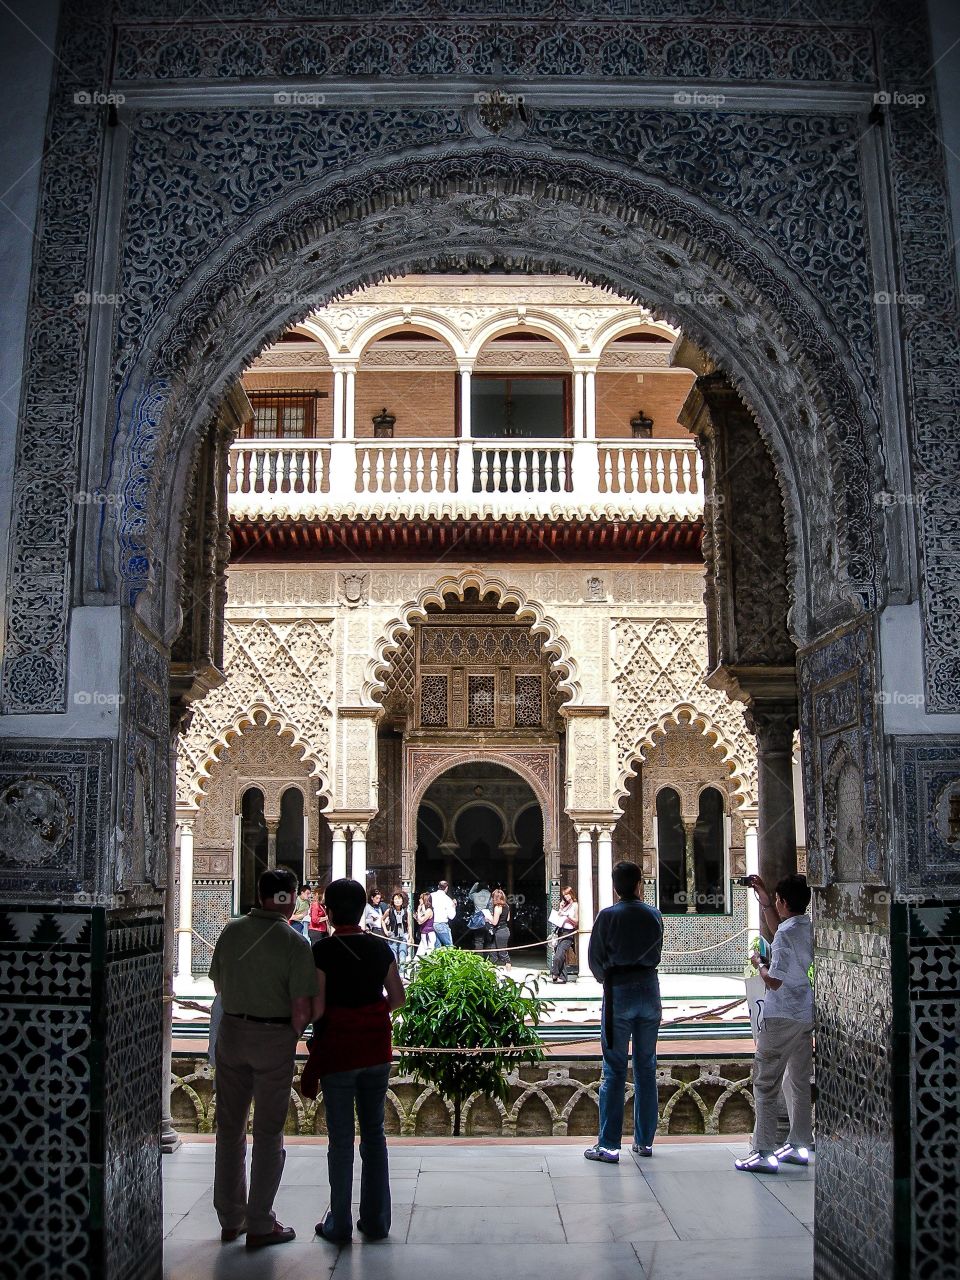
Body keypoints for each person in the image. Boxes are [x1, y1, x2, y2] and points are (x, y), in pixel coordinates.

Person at [209, 867, 320, 1249]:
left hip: (233, 1035)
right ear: (290, 898)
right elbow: (303, 1009)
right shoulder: (295, 943)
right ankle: (260, 1222)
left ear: (259, 894)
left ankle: (230, 1218)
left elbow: (219, 984)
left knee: (229, 1129)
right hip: (273, 1038)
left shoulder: (231, 930)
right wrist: (287, 1034)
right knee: (269, 1133)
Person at [300, 878, 406, 1243]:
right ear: (362, 909)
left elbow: (317, 1007)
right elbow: (398, 998)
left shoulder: (323, 951)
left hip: (339, 1051)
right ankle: (376, 1221)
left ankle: (339, 1222)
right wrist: (371, 1012)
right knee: (374, 1135)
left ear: (328, 911)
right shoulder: (380, 949)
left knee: (341, 1140)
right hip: (376, 1049)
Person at [735, 872, 814, 1175]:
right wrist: (766, 900)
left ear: (783, 901)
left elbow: (775, 982)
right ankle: (799, 1144)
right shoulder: (804, 926)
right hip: (803, 1012)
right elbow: (780, 928)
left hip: (780, 1016)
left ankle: (763, 1150)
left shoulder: (785, 934)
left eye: (777, 901)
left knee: (766, 1083)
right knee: (798, 1080)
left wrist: (759, 964)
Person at [584, 860, 663, 1164]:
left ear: (615, 886)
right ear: (639, 883)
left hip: (619, 995)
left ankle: (608, 1145)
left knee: (614, 1070)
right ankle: (644, 1142)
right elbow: (656, 951)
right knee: (646, 1068)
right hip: (649, 992)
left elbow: (595, 960)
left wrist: (610, 977)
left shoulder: (608, 916)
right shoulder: (654, 915)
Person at [551, 886, 579, 983]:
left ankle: (554, 973)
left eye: (567, 894)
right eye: (564, 895)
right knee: (559, 953)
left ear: (571, 893)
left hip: (568, 932)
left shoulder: (575, 905)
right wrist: (560, 908)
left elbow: (576, 921)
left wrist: (567, 916)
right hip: (560, 931)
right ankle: (562, 978)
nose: (566, 897)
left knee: (559, 954)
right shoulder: (565, 905)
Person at [384, 891, 412, 970]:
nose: (397, 901)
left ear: (402, 900)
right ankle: (395, 977)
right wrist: (386, 931)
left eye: (399, 899)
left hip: (403, 937)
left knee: (402, 956)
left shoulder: (406, 911)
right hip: (392, 937)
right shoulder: (389, 911)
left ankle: (402, 976)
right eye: (395, 899)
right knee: (394, 958)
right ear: (393, 900)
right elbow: (382, 920)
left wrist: (410, 937)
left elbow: (409, 925)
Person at [485, 888, 511, 967]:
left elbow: (495, 922)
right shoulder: (506, 906)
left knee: (503, 953)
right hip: (504, 930)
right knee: (493, 953)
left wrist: (488, 918)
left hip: (500, 932)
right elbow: (508, 918)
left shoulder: (498, 907)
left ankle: (509, 972)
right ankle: (489, 971)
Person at [431, 879, 457, 947]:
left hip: (431, 924)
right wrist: (454, 906)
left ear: (438, 886)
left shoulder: (431, 896)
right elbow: (451, 916)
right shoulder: (448, 899)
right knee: (449, 946)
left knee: (437, 946)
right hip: (441, 924)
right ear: (446, 888)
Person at [414, 891, 436, 958]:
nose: (419, 900)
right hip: (424, 934)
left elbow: (421, 921)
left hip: (428, 934)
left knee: (428, 953)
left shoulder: (429, 910)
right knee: (420, 954)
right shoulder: (425, 910)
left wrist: (418, 909)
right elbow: (419, 920)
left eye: (421, 898)